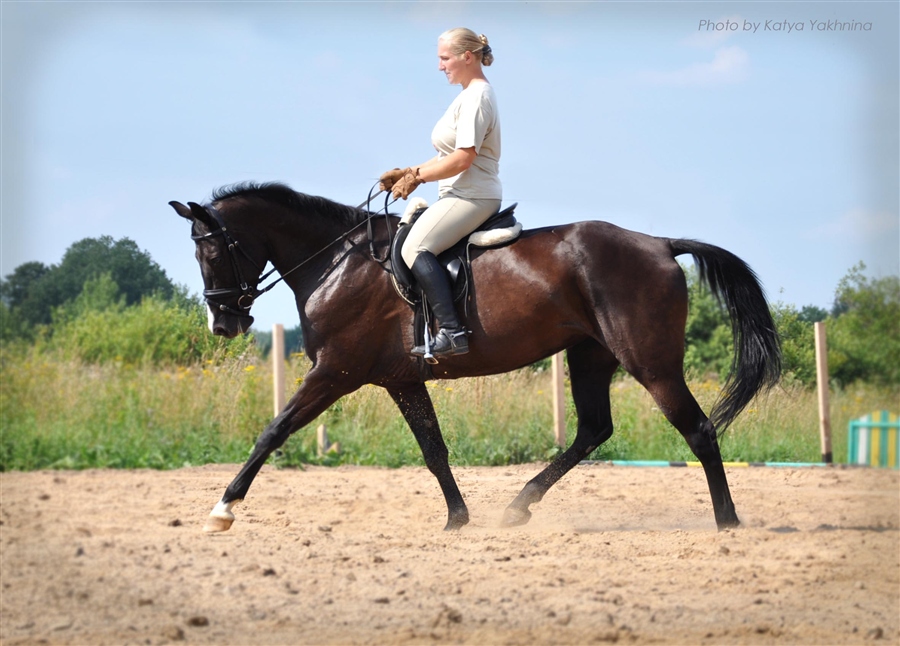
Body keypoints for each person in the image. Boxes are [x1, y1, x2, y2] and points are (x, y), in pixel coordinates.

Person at [380, 27, 501, 358]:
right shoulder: (465, 96)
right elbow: (448, 155)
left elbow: (464, 158)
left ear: (466, 57)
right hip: (458, 194)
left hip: (472, 195)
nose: (439, 66)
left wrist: (417, 176)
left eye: (444, 58)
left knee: (415, 247)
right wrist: (410, 172)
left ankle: (452, 330)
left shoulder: (477, 97)